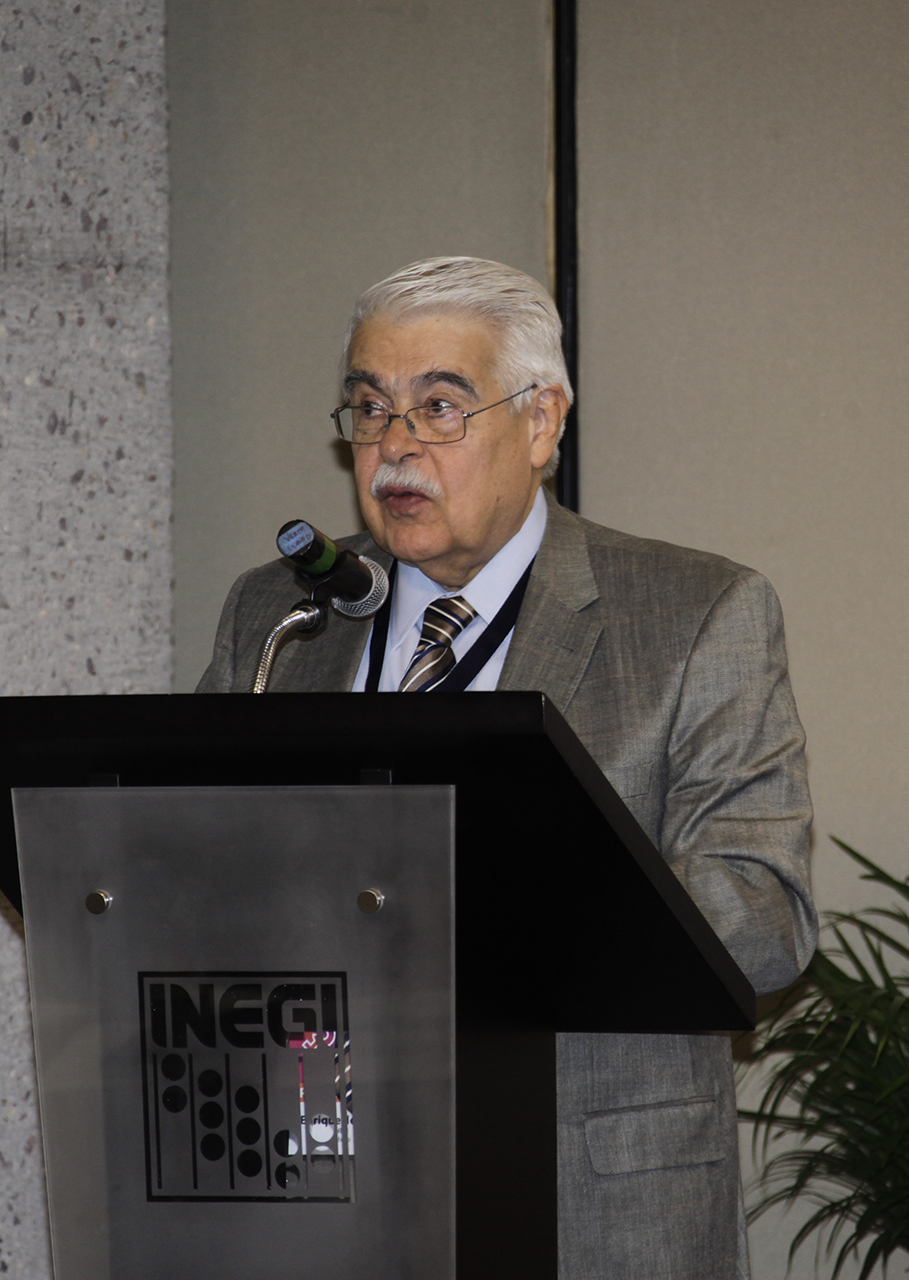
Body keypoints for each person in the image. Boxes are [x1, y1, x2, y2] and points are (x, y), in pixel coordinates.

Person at [197, 256, 816, 1279]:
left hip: (584, 1197)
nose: (395, 446)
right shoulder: (280, 613)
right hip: (318, 1180)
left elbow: (765, 913)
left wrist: (500, 915)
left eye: (439, 407)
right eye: (370, 407)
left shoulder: (694, 614)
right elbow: (186, 856)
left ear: (541, 422)